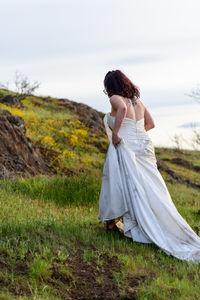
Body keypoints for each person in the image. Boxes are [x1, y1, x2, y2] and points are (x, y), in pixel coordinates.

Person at [98, 69, 200, 263]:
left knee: (125, 183)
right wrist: (136, 134)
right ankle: (156, 220)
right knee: (152, 187)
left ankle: (122, 223)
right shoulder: (138, 102)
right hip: (144, 146)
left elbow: (122, 110)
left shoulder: (116, 99)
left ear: (110, 86)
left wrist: (117, 133)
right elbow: (151, 124)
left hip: (126, 147)